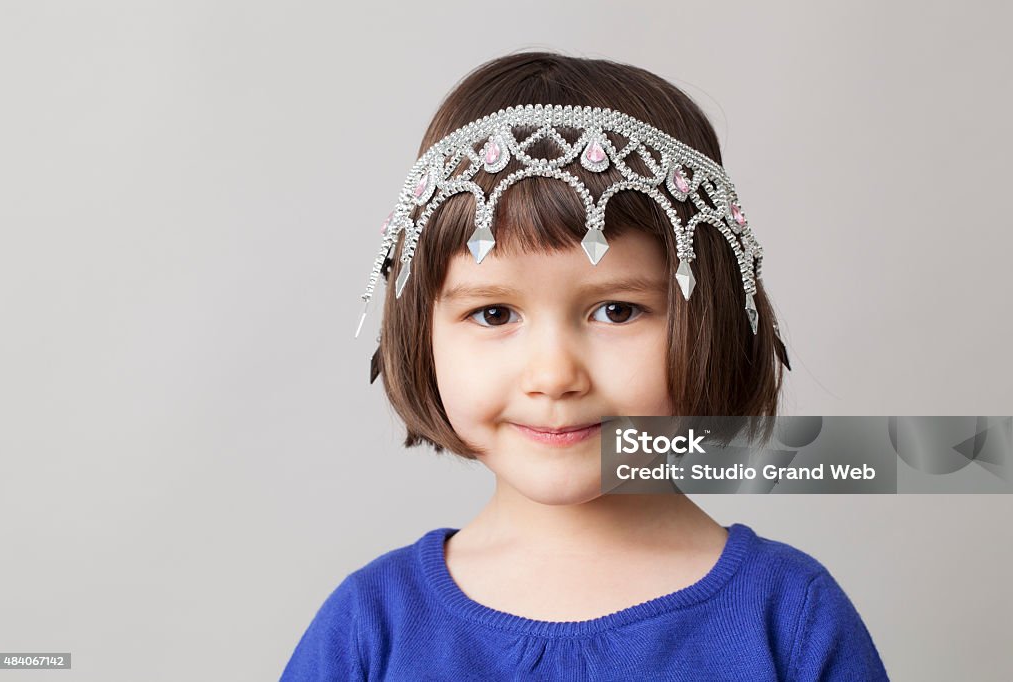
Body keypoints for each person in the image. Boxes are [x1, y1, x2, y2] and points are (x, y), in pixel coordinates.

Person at [281, 50, 889, 681]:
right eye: (493, 315)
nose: (554, 375)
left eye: (618, 311)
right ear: (420, 334)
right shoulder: (369, 628)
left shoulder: (790, 620)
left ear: (711, 320)